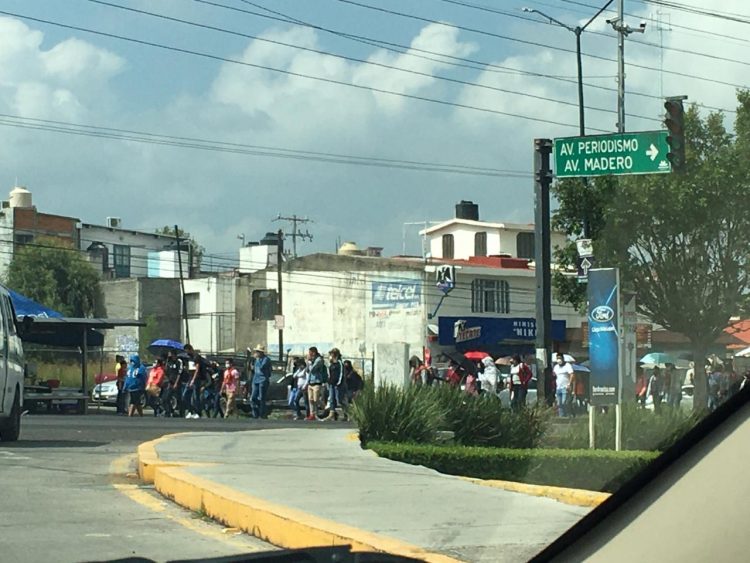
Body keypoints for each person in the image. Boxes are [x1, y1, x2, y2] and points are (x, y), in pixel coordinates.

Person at [183, 344, 208, 419]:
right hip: (190, 378)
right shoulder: (189, 357)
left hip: (196, 379)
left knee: (195, 396)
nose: (186, 352)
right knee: (185, 395)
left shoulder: (196, 357)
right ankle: (190, 411)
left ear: (190, 349)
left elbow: (197, 369)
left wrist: (193, 379)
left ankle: (198, 412)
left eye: (187, 350)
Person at [323, 348, 348, 421]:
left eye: (331, 354)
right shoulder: (331, 364)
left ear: (335, 355)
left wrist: (338, 383)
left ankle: (347, 413)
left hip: (338, 385)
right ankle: (331, 414)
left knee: (340, 400)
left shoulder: (339, 363)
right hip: (331, 384)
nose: (330, 355)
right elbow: (329, 373)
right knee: (332, 400)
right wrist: (329, 381)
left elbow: (341, 374)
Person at [250, 344, 272, 419]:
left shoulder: (266, 359)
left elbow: (262, 367)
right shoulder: (256, 360)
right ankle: (255, 412)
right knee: (253, 397)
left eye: (257, 352)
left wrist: (257, 360)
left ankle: (262, 414)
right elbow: (253, 369)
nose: (256, 353)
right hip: (256, 379)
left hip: (263, 380)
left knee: (262, 397)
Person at [306, 346, 327, 420]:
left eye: (310, 353)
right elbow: (307, 370)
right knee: (310, 400)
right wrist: (308, 362)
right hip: (310, 382)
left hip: (317, 382)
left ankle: (327, 409)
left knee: (316, 400)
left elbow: (313, 369)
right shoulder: (311, 360)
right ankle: (312, 414)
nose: (309, 354)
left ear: (313, 352)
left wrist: (310, 361)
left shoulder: (319, 360)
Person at [163, 350, 183, 418]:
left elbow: (179, 373)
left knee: (178, 398)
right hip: (170, 383)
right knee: (166, 398)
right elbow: (166, 372)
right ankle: (169, 411)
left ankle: (181, 412)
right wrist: (167, 361)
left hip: (177, 383)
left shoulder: (179, 361)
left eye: (172, 355)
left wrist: (176, 383)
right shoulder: (169, 362)